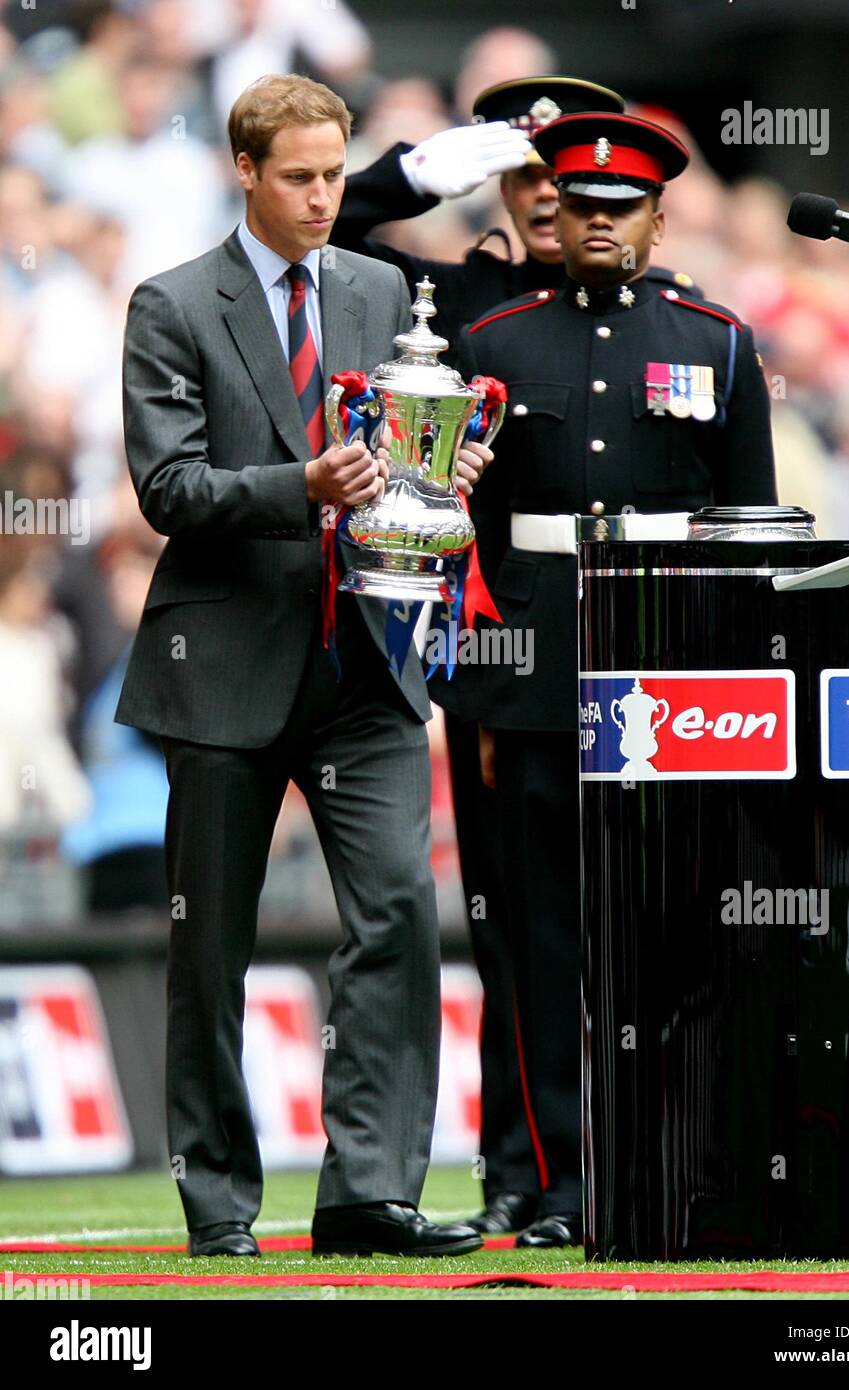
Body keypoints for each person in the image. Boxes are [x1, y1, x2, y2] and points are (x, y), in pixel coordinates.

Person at [116, 72, 491, 1259]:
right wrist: (303, 487)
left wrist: (448, 483)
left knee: (396, 911)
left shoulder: (389, 292)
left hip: (368, 665)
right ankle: (219, 1202)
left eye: (335, 174)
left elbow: (413, 466)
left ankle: (366, 1193)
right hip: (221, 658)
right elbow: (167, 488)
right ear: (244, 170)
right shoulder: (172, 303)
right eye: (299, 177)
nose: (324, 196)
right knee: (208, 947)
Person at [331, 77, 705, 1237]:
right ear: (500, 182)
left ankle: (651, 1158)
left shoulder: (685, 321)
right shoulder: (462, 306)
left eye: (582, 184)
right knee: (519, 935)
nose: (559, 201)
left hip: (646, 658)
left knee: (647, 934)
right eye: (536, 176)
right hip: (515, 657)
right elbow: (323, 240)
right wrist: (407, 176)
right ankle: (523, 1169)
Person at [454, 111, 778, 1247]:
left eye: (618, 207)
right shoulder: (492, 341)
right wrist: (479, 686)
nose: (596, 222)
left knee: (671, 926)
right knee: (543, 933)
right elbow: (465, 537)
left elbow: (751, 525)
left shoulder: (717, 339)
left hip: (669, 653)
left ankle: (672, 1158)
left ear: (655, 214)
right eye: (580, 206)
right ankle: (555, 1184)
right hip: (535, 660)